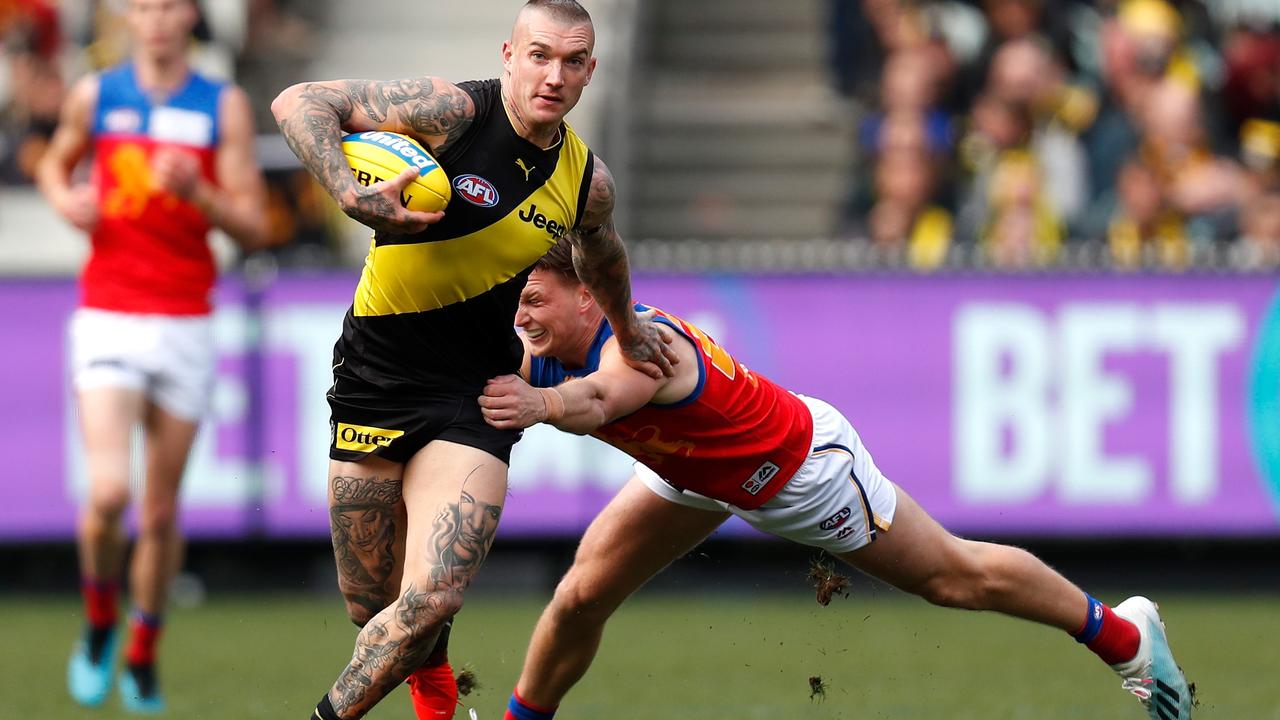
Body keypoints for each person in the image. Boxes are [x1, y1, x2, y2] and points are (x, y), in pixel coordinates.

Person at [476, 235, 1196, 720]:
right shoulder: (545, 343)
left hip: (800, 472)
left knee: (952, 576)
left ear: (586, 298)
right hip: (699, 473)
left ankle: (1123, 635)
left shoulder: (643, 346)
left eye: (534, 301)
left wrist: (536, 404)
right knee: (579, 595)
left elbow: (598, 400)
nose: (523, 317)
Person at [269, 3, 675, 719]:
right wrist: (347, 191)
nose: (554, 76)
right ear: (510, 54)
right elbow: (299, 100)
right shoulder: (451, 112)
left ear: (590, 71)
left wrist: (625, 329)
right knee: (371, 609)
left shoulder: (584, 181)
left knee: (434, 596)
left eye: (572, 61)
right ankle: (434, 674)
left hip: (475, 393)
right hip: (374, 378)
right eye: (540, 55)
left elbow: (602, 253)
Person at [34, 0, 270, 713]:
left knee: (161, 514)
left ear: (188, 17)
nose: (158, 18)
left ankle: (142, 651)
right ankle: (101, 619)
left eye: (170, 5)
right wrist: (63, 198)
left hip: (185, 321)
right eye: (144, 5)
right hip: (108, 313)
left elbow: (256, 224)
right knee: (109, 495)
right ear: (127, 19)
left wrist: (199, 192)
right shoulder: (97, 93)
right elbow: (54, 160)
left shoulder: (220, 105)